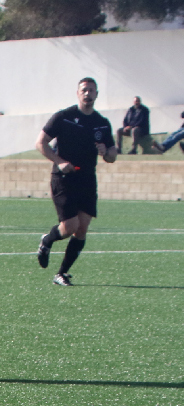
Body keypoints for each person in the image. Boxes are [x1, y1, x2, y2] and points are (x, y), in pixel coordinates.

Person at [35, 77, 117, 286]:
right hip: (64, 178)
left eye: (91, 90)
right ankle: (47, 240)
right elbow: (40, 142)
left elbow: (112, 155)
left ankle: (61, 273)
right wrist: (59, 162)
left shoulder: (102, 123)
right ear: (78, 93)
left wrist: (106, 152)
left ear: (97, 94)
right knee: (70, 226)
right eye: (84, 90)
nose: (88, 93)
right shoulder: (64, 117)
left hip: (87, 179)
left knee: (82, 228)